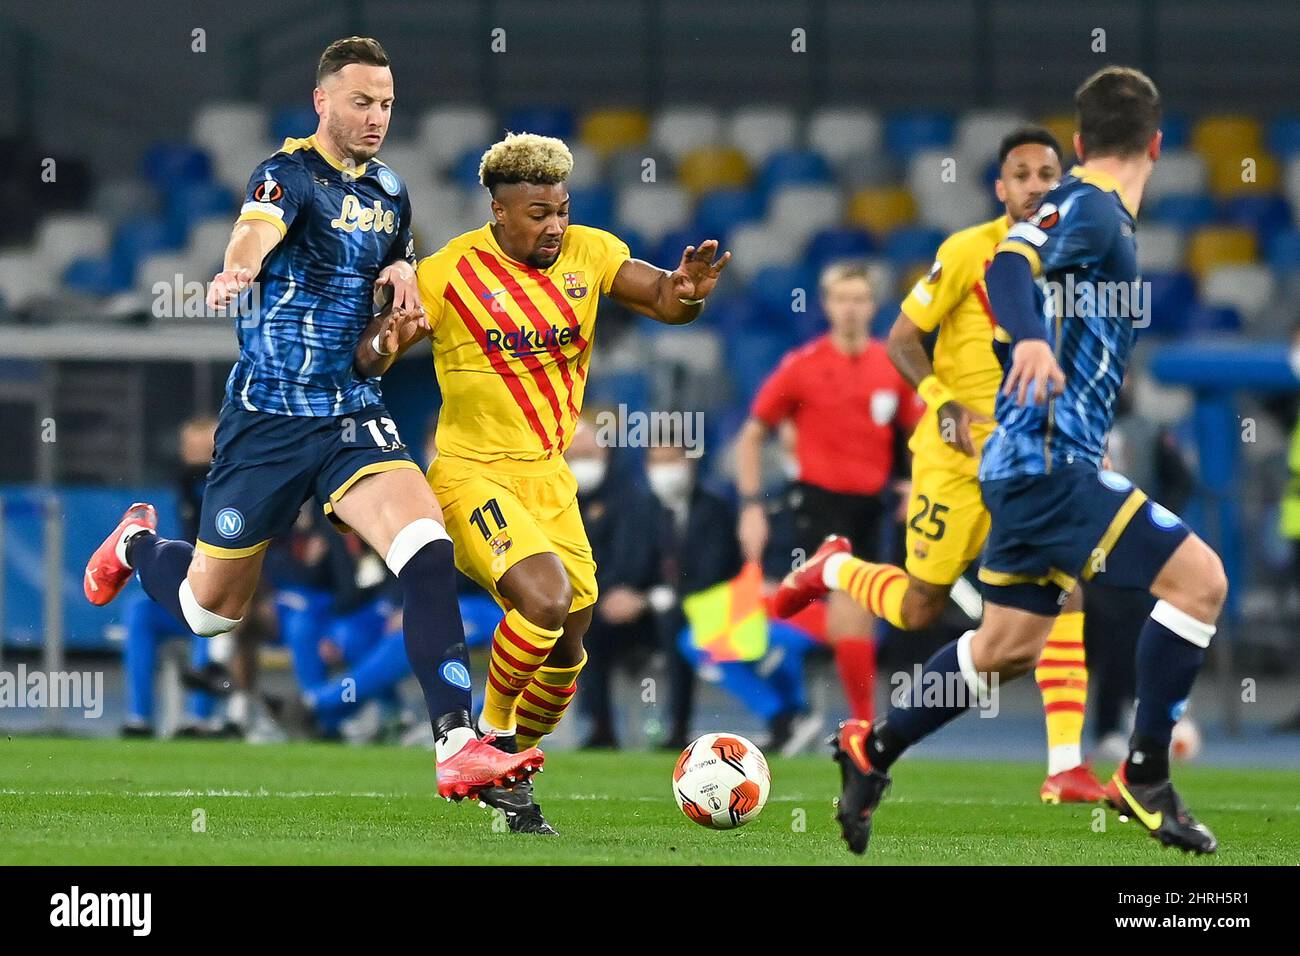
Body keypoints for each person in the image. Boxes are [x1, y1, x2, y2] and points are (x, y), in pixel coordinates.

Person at [81, 36, 542, 799]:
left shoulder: (392, 190)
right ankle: (136, 546)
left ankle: (456, 742)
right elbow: (256, 228)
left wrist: (400, 279)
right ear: (322, 101)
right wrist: (241, 264)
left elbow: (386, 287)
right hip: (267, 420)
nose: (376, 117)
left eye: (387, 104)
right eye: (362, 101)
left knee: (428, 551)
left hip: (349, 413)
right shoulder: (286, 175)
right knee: (208, 615)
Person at [830, 66, 1226, 856]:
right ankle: (1144, 774)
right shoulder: (1090, 207)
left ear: (1078, 142)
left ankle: (872, 749)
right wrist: (1036, 339)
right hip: (1049, 460)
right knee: (1201, 581)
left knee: (1007, 644)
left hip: (1016, 461)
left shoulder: (1089, 212)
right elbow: (1009, 265)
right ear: (1157, 143)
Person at [357, 131, 730, 832]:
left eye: (560, 208)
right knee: (546, 597)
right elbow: (373, 356)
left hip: (549, 478)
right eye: (537, 213)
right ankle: (489, 741)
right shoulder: (449, 271)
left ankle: (514, 787)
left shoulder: (591, 251)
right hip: (472, 475)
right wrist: (384, 339)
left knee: (567, 647)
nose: (554, 224)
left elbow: (663, 299)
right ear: (499, 211)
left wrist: (688, 295)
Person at [776, 128, 1109, 802]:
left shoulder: (1077, 259)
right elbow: (903, 339)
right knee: (919, 608)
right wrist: (943, 402)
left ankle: (1066, 766)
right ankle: (833, 568)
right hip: (954, 462)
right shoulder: (969, 251)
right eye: (1022, 174)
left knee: (1065, 591)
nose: (1037, 185)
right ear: (1001, 187)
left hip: (1031, 461)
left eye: (1049, 173)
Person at [735, 262, 920, 722]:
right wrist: (752, 506)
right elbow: (753, 433)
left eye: (860, 298)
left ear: (874, 305)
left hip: (870, 509)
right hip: (814, 504)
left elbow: (920, 434)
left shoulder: (891, 365)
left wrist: (915, 483)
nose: (851, 308)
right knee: (846, 610)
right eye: (842, 299)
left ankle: (847, 720)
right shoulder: (803, 366)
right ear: (827, 305)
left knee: (857, 613)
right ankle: (854, 723)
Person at [566, 419, 663, 750]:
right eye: (574, 455)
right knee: (580, 626)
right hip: (585, 602)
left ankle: (661, 727)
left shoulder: (629, 496)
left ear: (605, 452)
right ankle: (596, 725)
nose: (582, 463)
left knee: (589, 628)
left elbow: (634, 556)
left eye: (588, 454)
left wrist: (614, 593)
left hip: (633, 604)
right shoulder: (555, 498)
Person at [121, 416, 219, 737]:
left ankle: (199, 718)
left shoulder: (233, 482)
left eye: (204, 448)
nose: (195, 456)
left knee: (208, 617)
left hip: (224, 596)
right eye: (190, 448)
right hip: (187, 589)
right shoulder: (184, 484)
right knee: (139, 613)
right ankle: (140, 718)